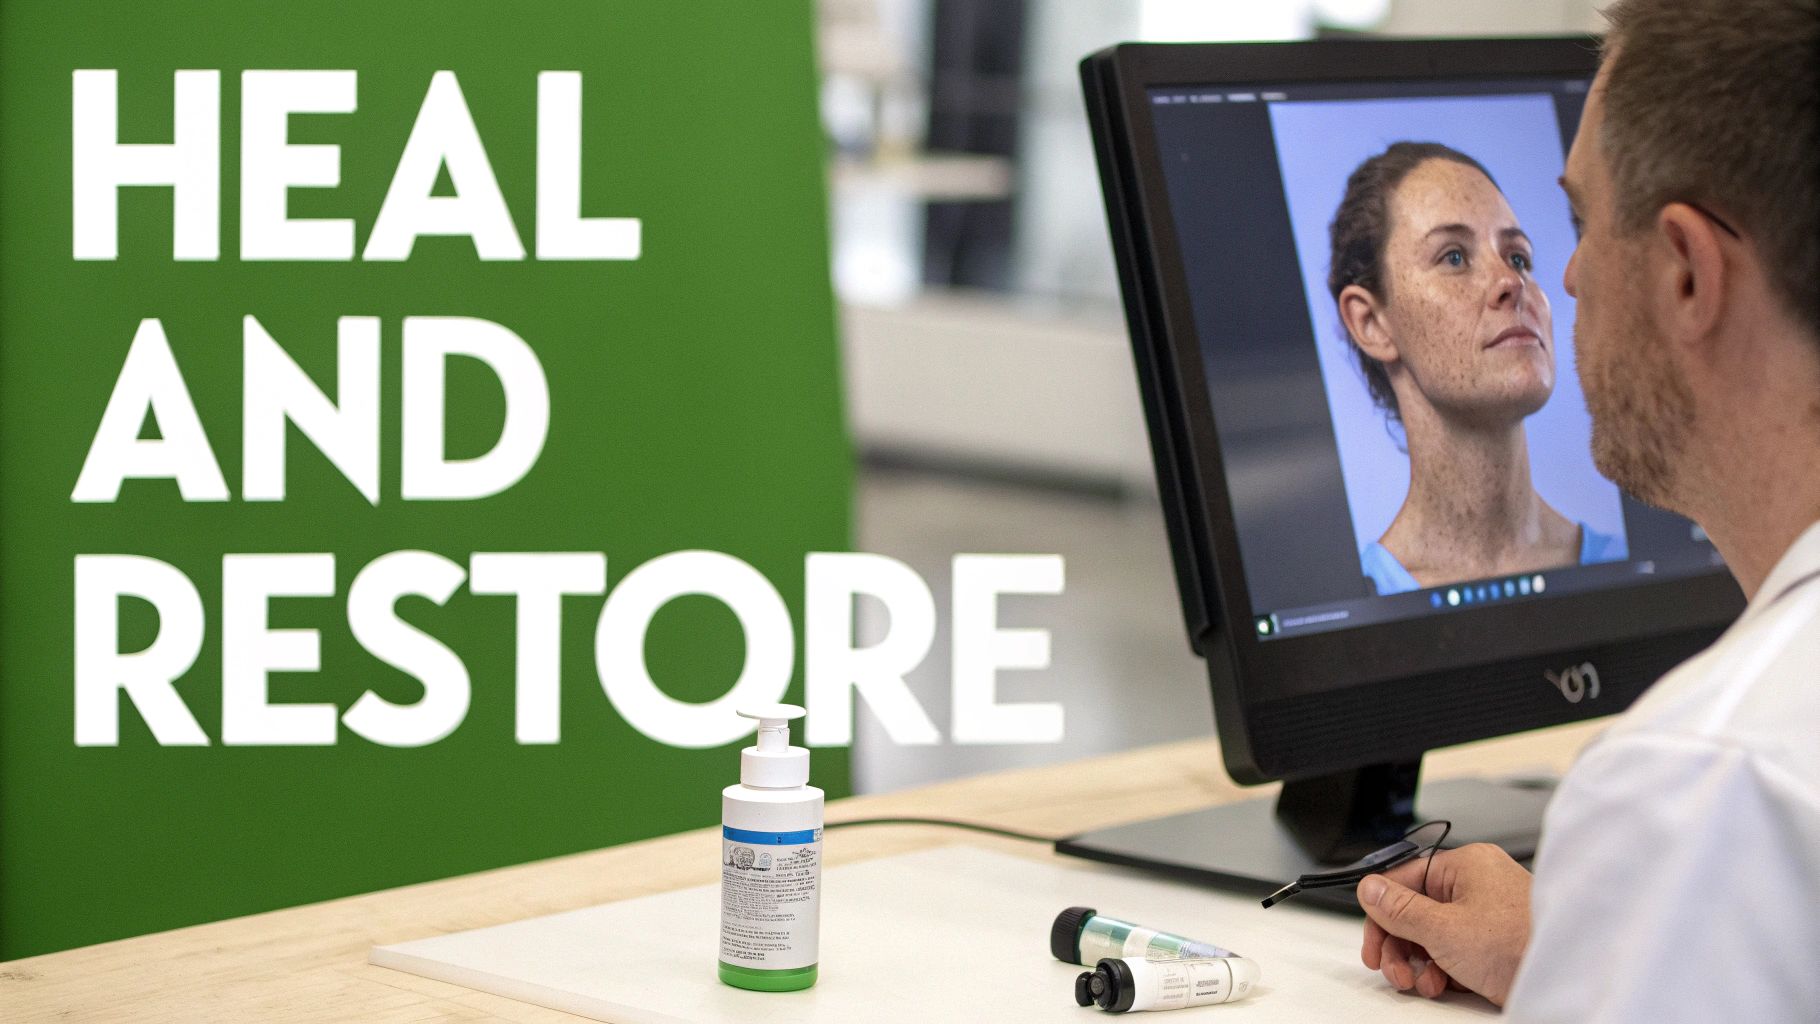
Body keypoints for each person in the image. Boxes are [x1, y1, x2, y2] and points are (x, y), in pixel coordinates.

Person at [1349, 0, 1820, 1019]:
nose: (1546, 281)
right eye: (1453, 255)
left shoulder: (1704, 790)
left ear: (1687, 272)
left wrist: (1643, 896)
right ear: (1366, 321)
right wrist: (1609, 945)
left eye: (1569, 227)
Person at [1328, 142, 1623, 596]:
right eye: (1454, 257)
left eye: (1518, 257)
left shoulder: (1621, 562)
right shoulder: (1355, 599)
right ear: (1371, 323)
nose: (1511, 281)